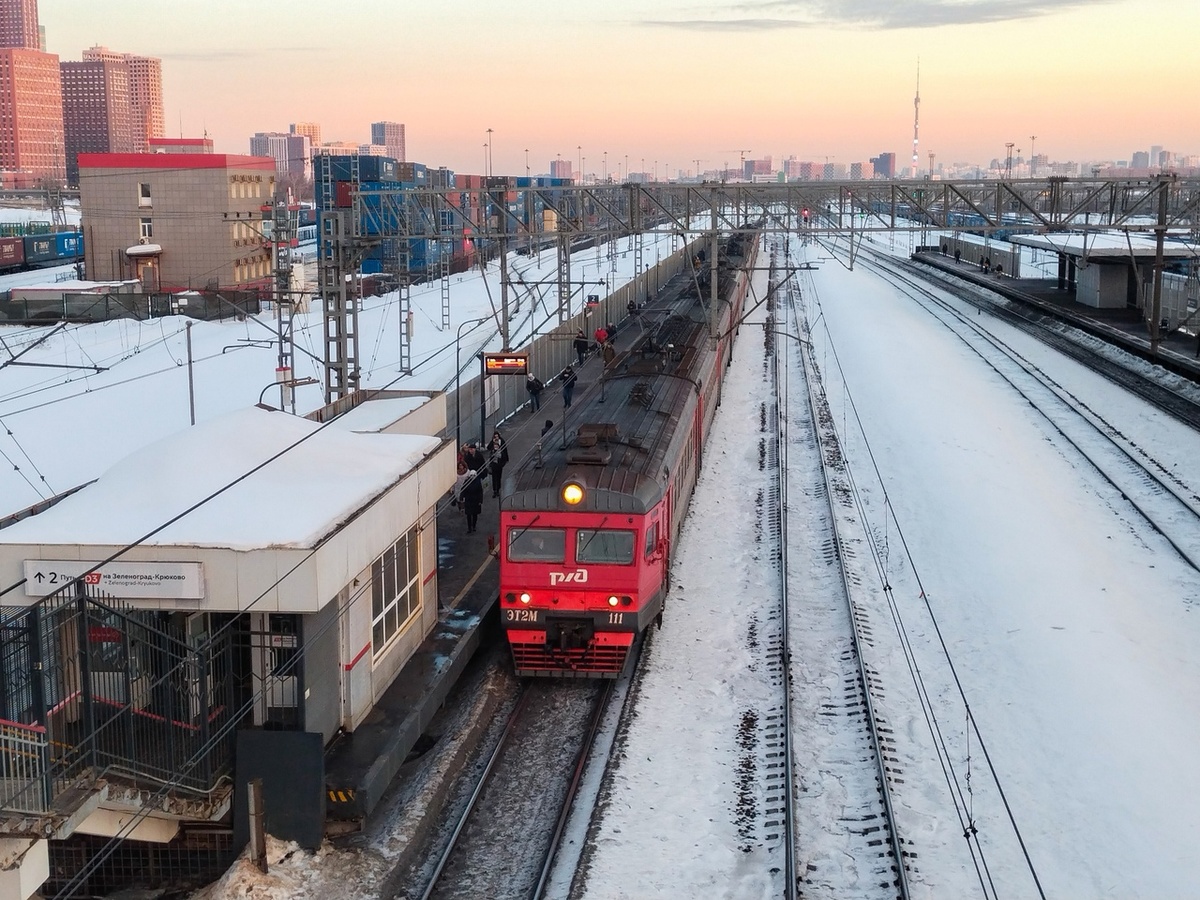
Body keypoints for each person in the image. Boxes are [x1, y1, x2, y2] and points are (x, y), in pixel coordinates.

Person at [460, 465, 483, 533]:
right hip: (469, 500)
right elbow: (463, 489)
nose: (472, 476)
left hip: (475, 500)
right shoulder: (467, 481)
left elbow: (480, 491)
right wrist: (461, 497)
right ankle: (469, 528)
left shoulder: (478, 482)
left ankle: (474, 526)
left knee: (475, 514)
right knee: (469, 515)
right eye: (471, 475)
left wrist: (480, 500)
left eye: (473, 475)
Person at [487, 431, 509, 499]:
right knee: (494, 478)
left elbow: (505, 451)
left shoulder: (502, 443)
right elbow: (488, 448)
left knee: (498, 478)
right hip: (494, 466)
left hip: (499, 466)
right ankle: (495, 491)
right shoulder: (492, 450)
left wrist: (503, 463)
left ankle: (498, 489)